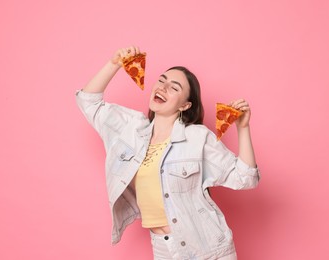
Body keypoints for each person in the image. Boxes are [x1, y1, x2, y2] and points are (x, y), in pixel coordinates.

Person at [75, 46, 260, 259]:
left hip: (208, 247)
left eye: (174, 87)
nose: (163, 87)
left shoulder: (197, 137)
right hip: (163, 249)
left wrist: (243, 128)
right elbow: (88, 102)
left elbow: (245, 178)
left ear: (185, 105)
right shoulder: (131, 129)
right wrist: (114, 63)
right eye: (161, 81)